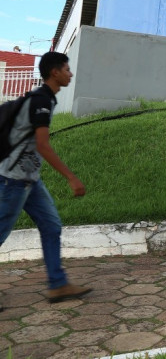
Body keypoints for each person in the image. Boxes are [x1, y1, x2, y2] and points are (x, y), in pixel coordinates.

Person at [0, 52, 91, 306]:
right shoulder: (41, 100)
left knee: (51, 226)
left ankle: (58, 285)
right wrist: (71, 177)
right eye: (67, 69)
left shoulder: (45, 99)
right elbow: (43, 145)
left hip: (30, 180)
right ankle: (58, 284)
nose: (70, 73)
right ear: (55, 72)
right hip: (13, 179)